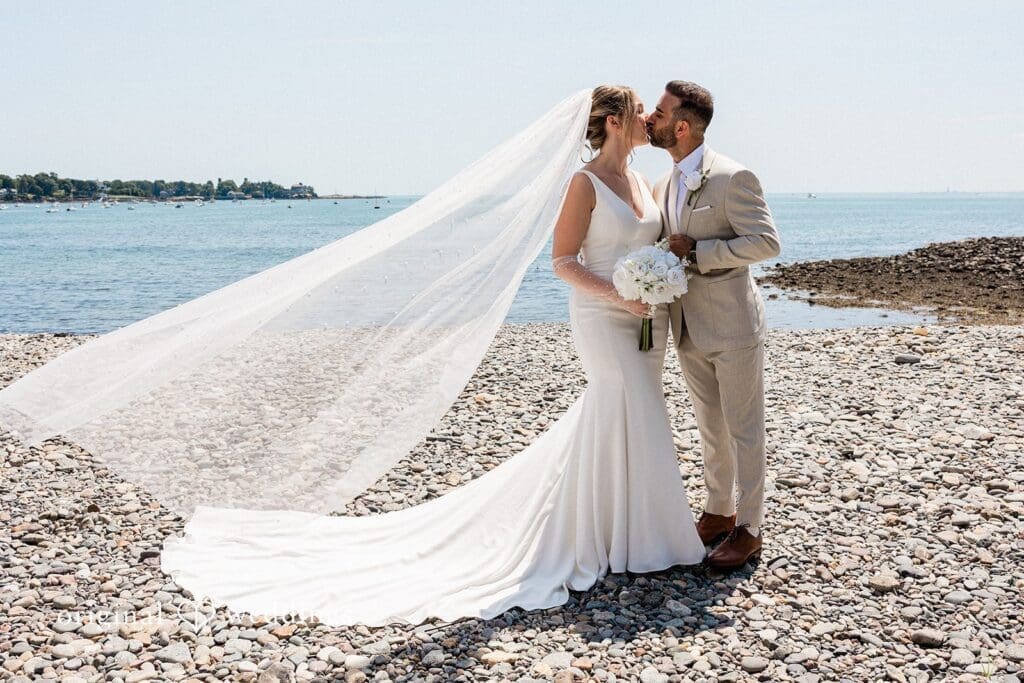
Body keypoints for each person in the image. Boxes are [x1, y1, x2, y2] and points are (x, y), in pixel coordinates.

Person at [157, 86, 705, 627]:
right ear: (612, 122)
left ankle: (627, 532)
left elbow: (650, 246)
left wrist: (658, 277)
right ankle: (629, 539)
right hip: (604, 318)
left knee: (634, 411)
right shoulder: (584, 183)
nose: (647, 119)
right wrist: (618, 294)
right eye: (638, 111)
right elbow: (563, 261)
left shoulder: (642, 179)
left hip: (646, 320)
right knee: (624, 402)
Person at [646, 80, 780, 570]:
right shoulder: (662, 184)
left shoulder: (732, 176)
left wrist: (700, 254)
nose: (650, 120)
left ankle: (750, 528)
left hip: (733, 326)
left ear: (682, 126)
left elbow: (766, 243)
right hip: (686, 327)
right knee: (710, 428)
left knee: (745, 430)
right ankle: (718, 511)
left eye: (657, 113)